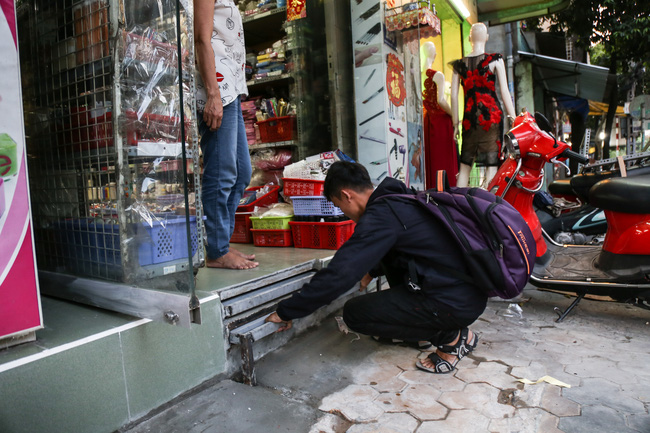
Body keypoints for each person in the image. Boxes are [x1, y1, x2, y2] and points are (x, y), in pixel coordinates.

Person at [266, 161, 486, 374]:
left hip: (454, 301)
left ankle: (452, 339)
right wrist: (371, 271)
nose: (343, 212)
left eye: (338, 205)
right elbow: (405, 248)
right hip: (463, 291)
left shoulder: (381, 215)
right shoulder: (397, 199)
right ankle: (423, 331)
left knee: (355, 314)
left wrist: (288, 310)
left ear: (346, 195)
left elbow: (340, 273)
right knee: (383, 289)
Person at [194, 0, 258, 269]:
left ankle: (221, 244)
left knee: (242, 173)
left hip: (230, 89)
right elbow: (201, 38)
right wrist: (213, 94)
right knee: (222, 171)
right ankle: (216, 250)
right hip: (217, 89)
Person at [450, 23, 515, 188]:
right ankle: (486, 208)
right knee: (490, 166)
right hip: (491, 119)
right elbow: (505, 92)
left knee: (464, 166)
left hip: (469, 120)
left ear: (470, 38)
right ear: (487, 38)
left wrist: (455, 124)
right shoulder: (495, 60)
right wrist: (514, 118)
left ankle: (458, 207)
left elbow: (453, 96)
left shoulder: (459, 65)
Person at [421, 41, 458, 189]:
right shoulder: (438, 75)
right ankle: (444, 192)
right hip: (441, 122)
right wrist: (455, 116)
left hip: (426, 121)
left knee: (430, 160)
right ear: (435, 55)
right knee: (443, 162)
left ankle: (432, 191)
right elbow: (441, 100)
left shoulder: (417, 75)